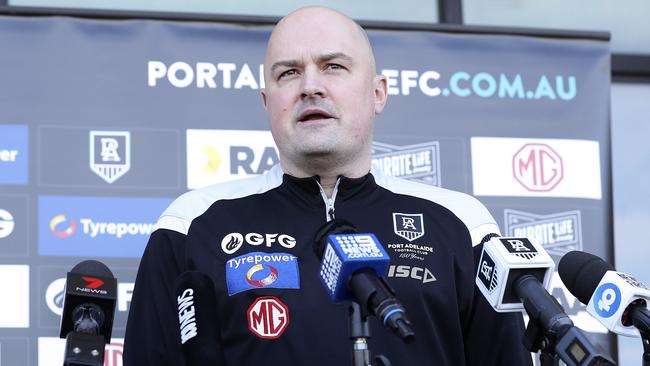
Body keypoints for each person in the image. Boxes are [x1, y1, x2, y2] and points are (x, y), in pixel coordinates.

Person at [124, 6, 532, 365]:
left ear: (378, 93)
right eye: (289, 72)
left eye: (333, 66)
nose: (310, 86)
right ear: (267, 103)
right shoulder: (192, 224)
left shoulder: (461, 224)